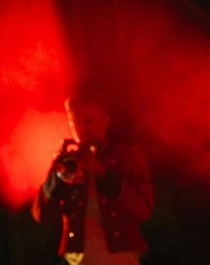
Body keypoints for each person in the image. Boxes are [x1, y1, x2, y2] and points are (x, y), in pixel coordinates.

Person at [37, 96, 151, 265]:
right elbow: (42, 215)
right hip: (78, 260)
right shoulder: (69, 161)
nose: (82, 128)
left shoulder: (127, 157)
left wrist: (102, 173)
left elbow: (142, 210)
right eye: (76, 122)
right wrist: (56, 175)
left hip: (120, 259)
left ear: (105, 121)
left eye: (88, 121)